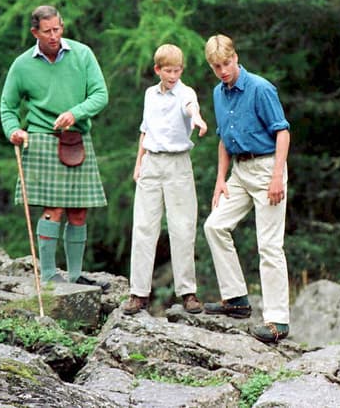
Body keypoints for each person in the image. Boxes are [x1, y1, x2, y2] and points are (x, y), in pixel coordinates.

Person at [0, 5, 108, 286]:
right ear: (35, 32)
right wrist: (14, 131)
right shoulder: (22, 65)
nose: (54, 36)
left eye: (57, 29)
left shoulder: (82, 55)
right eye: (47, 31)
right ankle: (48, 275)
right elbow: (7, 107)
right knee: (54, 208)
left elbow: (100, 94)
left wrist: (76, 112)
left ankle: (74, 276)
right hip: (42, 140)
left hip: (77, 139)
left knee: (79, 210)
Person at [202, 34, 291, 344]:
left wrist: (277, 176)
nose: (223, 70)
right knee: (214, 225)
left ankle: (278, 320)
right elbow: (224, 138)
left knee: (268, 244)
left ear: (236, 57)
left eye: (226, 63)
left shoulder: (260, 88)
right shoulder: (218, 93)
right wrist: (220, 179)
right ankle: (236, 299)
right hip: (239, 170)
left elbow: (282, 133)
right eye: (216, 66)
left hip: (268, 167)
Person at [122, 44, 208, 315]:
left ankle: (188, 292)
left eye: (177, 70)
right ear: (157, 70)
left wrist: (197, 119)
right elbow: (145, 131)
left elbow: (191, 107)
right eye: (168, 71)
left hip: (177, 164)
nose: (173, 75)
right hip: (151, 163)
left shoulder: (186, 92)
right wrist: (139, 164)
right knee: (144, 227)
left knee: (182, 227)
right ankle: (138, 293)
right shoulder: (150, 94)